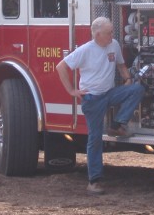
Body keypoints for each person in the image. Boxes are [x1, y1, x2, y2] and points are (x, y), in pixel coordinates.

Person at [57, 17, 144, 195]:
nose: (112, 35)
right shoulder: (85, 50)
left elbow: (121, 65)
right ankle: (94, 181)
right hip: (92, 99)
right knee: (95, 139)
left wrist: (127, 78)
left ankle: (117, 124)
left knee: (137, 90)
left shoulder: (113, 45)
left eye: (112, 32)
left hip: (109, 94)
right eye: (109, 33)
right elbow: (61, 66)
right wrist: (72, 91)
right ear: (97, 35)